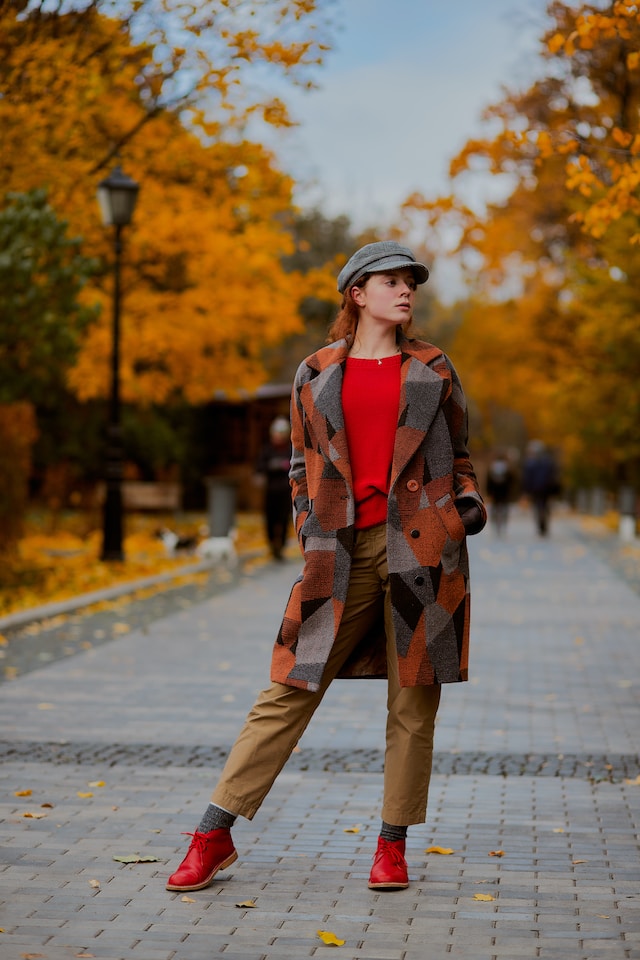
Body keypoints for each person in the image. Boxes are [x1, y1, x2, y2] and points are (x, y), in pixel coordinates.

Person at [166, 240, 487, 894]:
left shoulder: (433, 368)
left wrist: (464, 510)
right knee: (287, 687)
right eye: (391, 282)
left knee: (412, 698)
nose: (405, 293)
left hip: (423, 546)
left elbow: (460, 458)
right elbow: (298, 465)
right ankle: (212, 832)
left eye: (410, 284)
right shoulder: (313, 373)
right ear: (357, 293)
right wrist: (309, 524)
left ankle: (391, 847)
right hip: (337, 552)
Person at [256, 416, 292, 560]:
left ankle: (281, 546)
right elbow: (259, 467)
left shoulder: (290, 449)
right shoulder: (267, 450)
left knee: (284, 519)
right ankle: (272, 544)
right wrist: (272, 466)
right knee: (270, 519)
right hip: (270, 491)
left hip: (285, 490)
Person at [522, 439, 560, 536]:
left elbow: (527, 478)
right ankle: (544, 522)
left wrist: (527, 490)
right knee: (545, 506)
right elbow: (554, 476)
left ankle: (541, 523)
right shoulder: (548, 461)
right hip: (546, 488)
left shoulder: (530, 463)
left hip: (536, 489)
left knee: (538, 506)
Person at [486, 450, 515, 537]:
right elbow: (512, 481)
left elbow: (489, 482)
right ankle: (503, 525)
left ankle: (496, 526)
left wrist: (489, 492)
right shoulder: (507, 469)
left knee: (495, 510)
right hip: (504, 493)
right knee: (504, 510)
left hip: (495, 493)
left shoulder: (492, 468)